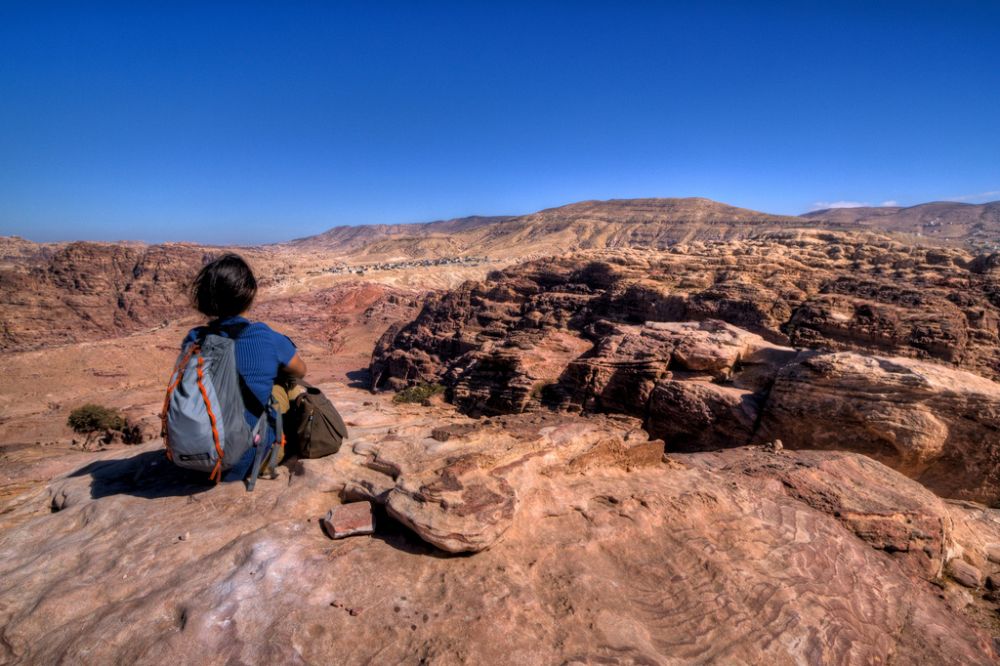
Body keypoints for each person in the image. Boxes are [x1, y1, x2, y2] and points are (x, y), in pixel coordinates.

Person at [182, 253, 306, 478]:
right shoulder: (262, 336)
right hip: (246, 463)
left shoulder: (194, 339)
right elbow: (300, 370)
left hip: (193, 459)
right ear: (249, 294)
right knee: (286, 385)